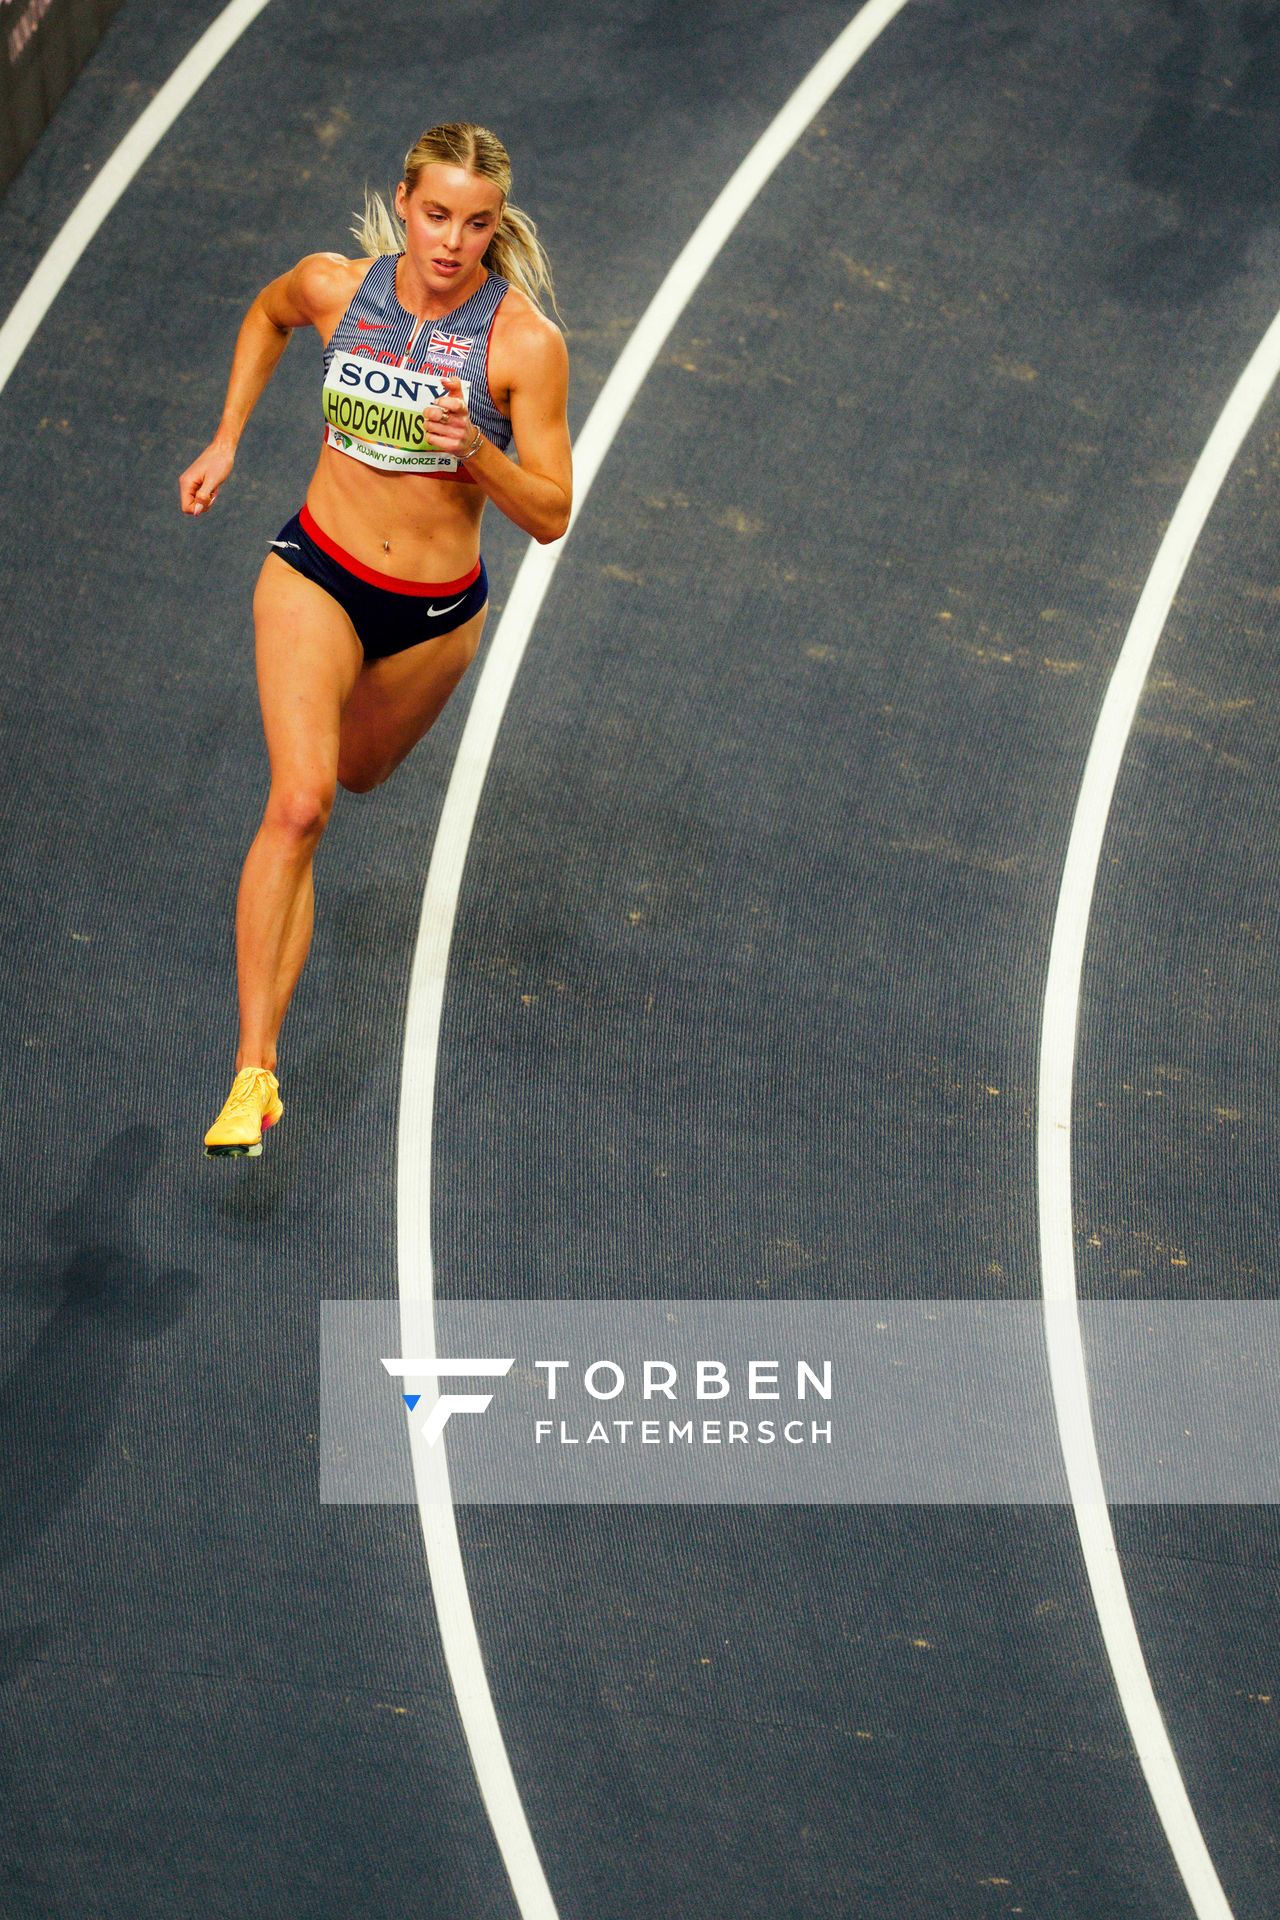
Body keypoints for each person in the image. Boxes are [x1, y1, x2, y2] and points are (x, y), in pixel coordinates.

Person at [179, 123, 571, 1158]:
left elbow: (552, 513)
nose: (453, 242)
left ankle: (257, 1056)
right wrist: (226, 436)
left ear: (495, 227)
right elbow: (266, 316)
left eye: (476, 225)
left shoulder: (520, 344)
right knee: (299, 803)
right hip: (315, 571)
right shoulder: (331, 287)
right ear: (404, 202)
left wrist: (476, 452)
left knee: (355, 778)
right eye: (436, 216)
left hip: (431, 615)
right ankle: (252, 1071)